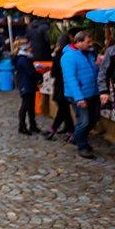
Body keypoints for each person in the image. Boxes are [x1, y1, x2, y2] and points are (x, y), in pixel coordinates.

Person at [60, 29, 108, 159]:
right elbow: (70, 79)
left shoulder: (89, 53)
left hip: (92, 92)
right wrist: (79, 97)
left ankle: (76, 137)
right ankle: (82, 146)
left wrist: (98, 64)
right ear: (79, 42)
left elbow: (93, 71)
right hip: (78, 95)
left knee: (93, 119)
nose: (91, 44)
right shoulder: (69, 57)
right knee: (85, 121)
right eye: (88, 42)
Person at [44, 31, 74, 140]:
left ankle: (54, 130)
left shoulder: (58, 56)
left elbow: (54, 73)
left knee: (63, 109)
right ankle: (69, 130)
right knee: (64, 109)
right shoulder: (71, 54)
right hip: (68, 85)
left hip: (60, 86)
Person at [12, 38, 41, 135]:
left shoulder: (26, 58)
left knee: (31, 106)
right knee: (25, 106)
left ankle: (32, 125)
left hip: (29, 84)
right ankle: (22, 126)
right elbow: (30, 72)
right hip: (26, 84)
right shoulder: (22, 59)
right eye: (29, 46)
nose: (31, 48)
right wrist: (39, 76)